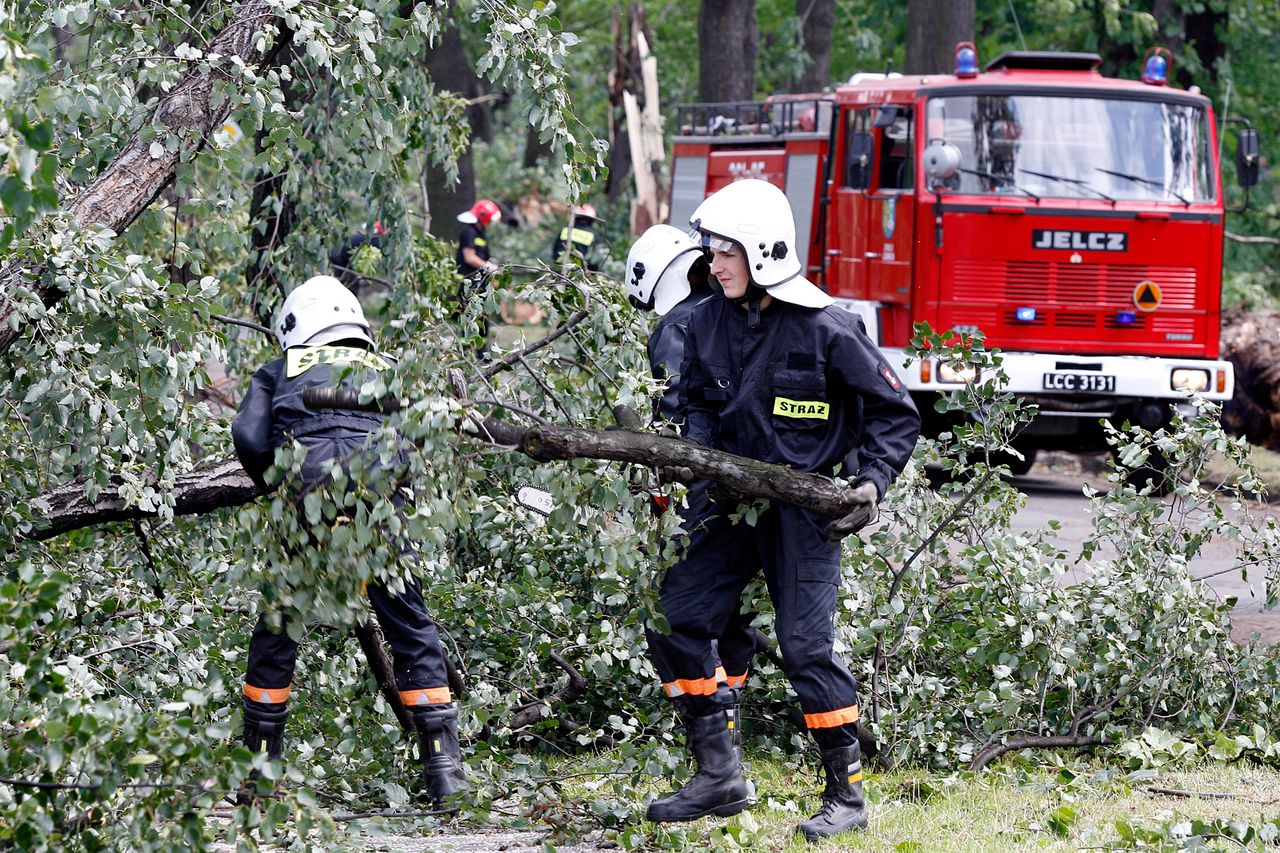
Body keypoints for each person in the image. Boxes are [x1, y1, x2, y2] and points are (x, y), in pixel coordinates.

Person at [642, 180, 920, 842]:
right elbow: (700, 403)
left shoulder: (827, 328)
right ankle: (720, 776)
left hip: (804, 510)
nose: (713, 265)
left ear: (763, 253)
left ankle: (846, 796)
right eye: (711, 253)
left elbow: (894, 414)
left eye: (726, 253)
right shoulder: (705, 321)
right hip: (727, 500)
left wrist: (871, 485)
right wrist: (696, 458)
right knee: (674, 616)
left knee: (804, 647)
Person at [231, 275, 466, 809]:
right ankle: (445, 772)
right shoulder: (389, 370)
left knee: (279, 628)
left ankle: (260, 775)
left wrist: (278, 484)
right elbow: (426, 431)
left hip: (305, 503)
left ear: (296, 327)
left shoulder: (277, 371)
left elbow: (247, 436)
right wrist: (396, 479)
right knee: (409, 625)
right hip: (377, 504)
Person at [625, 225, 761, 764]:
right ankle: (728, 729)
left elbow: (678, 419)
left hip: (702, 491)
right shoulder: (739, 314)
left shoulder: (679, 324)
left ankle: (711, 740)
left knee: (674, 613)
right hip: (748, 487)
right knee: (733, 613)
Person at [330, 220, 384, 294]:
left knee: (344, 282)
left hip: (336, 253)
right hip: (339, 256)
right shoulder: (375, 240)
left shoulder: (367, 236)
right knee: (352, 287)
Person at [456, 199, 501, 281]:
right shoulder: (469, 232)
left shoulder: (482, 234)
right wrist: (489, 267)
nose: (490, 224)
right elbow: (469, 258)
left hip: (479, 280)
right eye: (489, 221)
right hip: (468, 280)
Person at [552, 204, 601, 271]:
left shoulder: (565, 230)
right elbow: (597, 259)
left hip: (561, 272)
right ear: (591, 220)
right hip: (583, 275)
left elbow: (555, 252)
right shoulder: (594, 235)